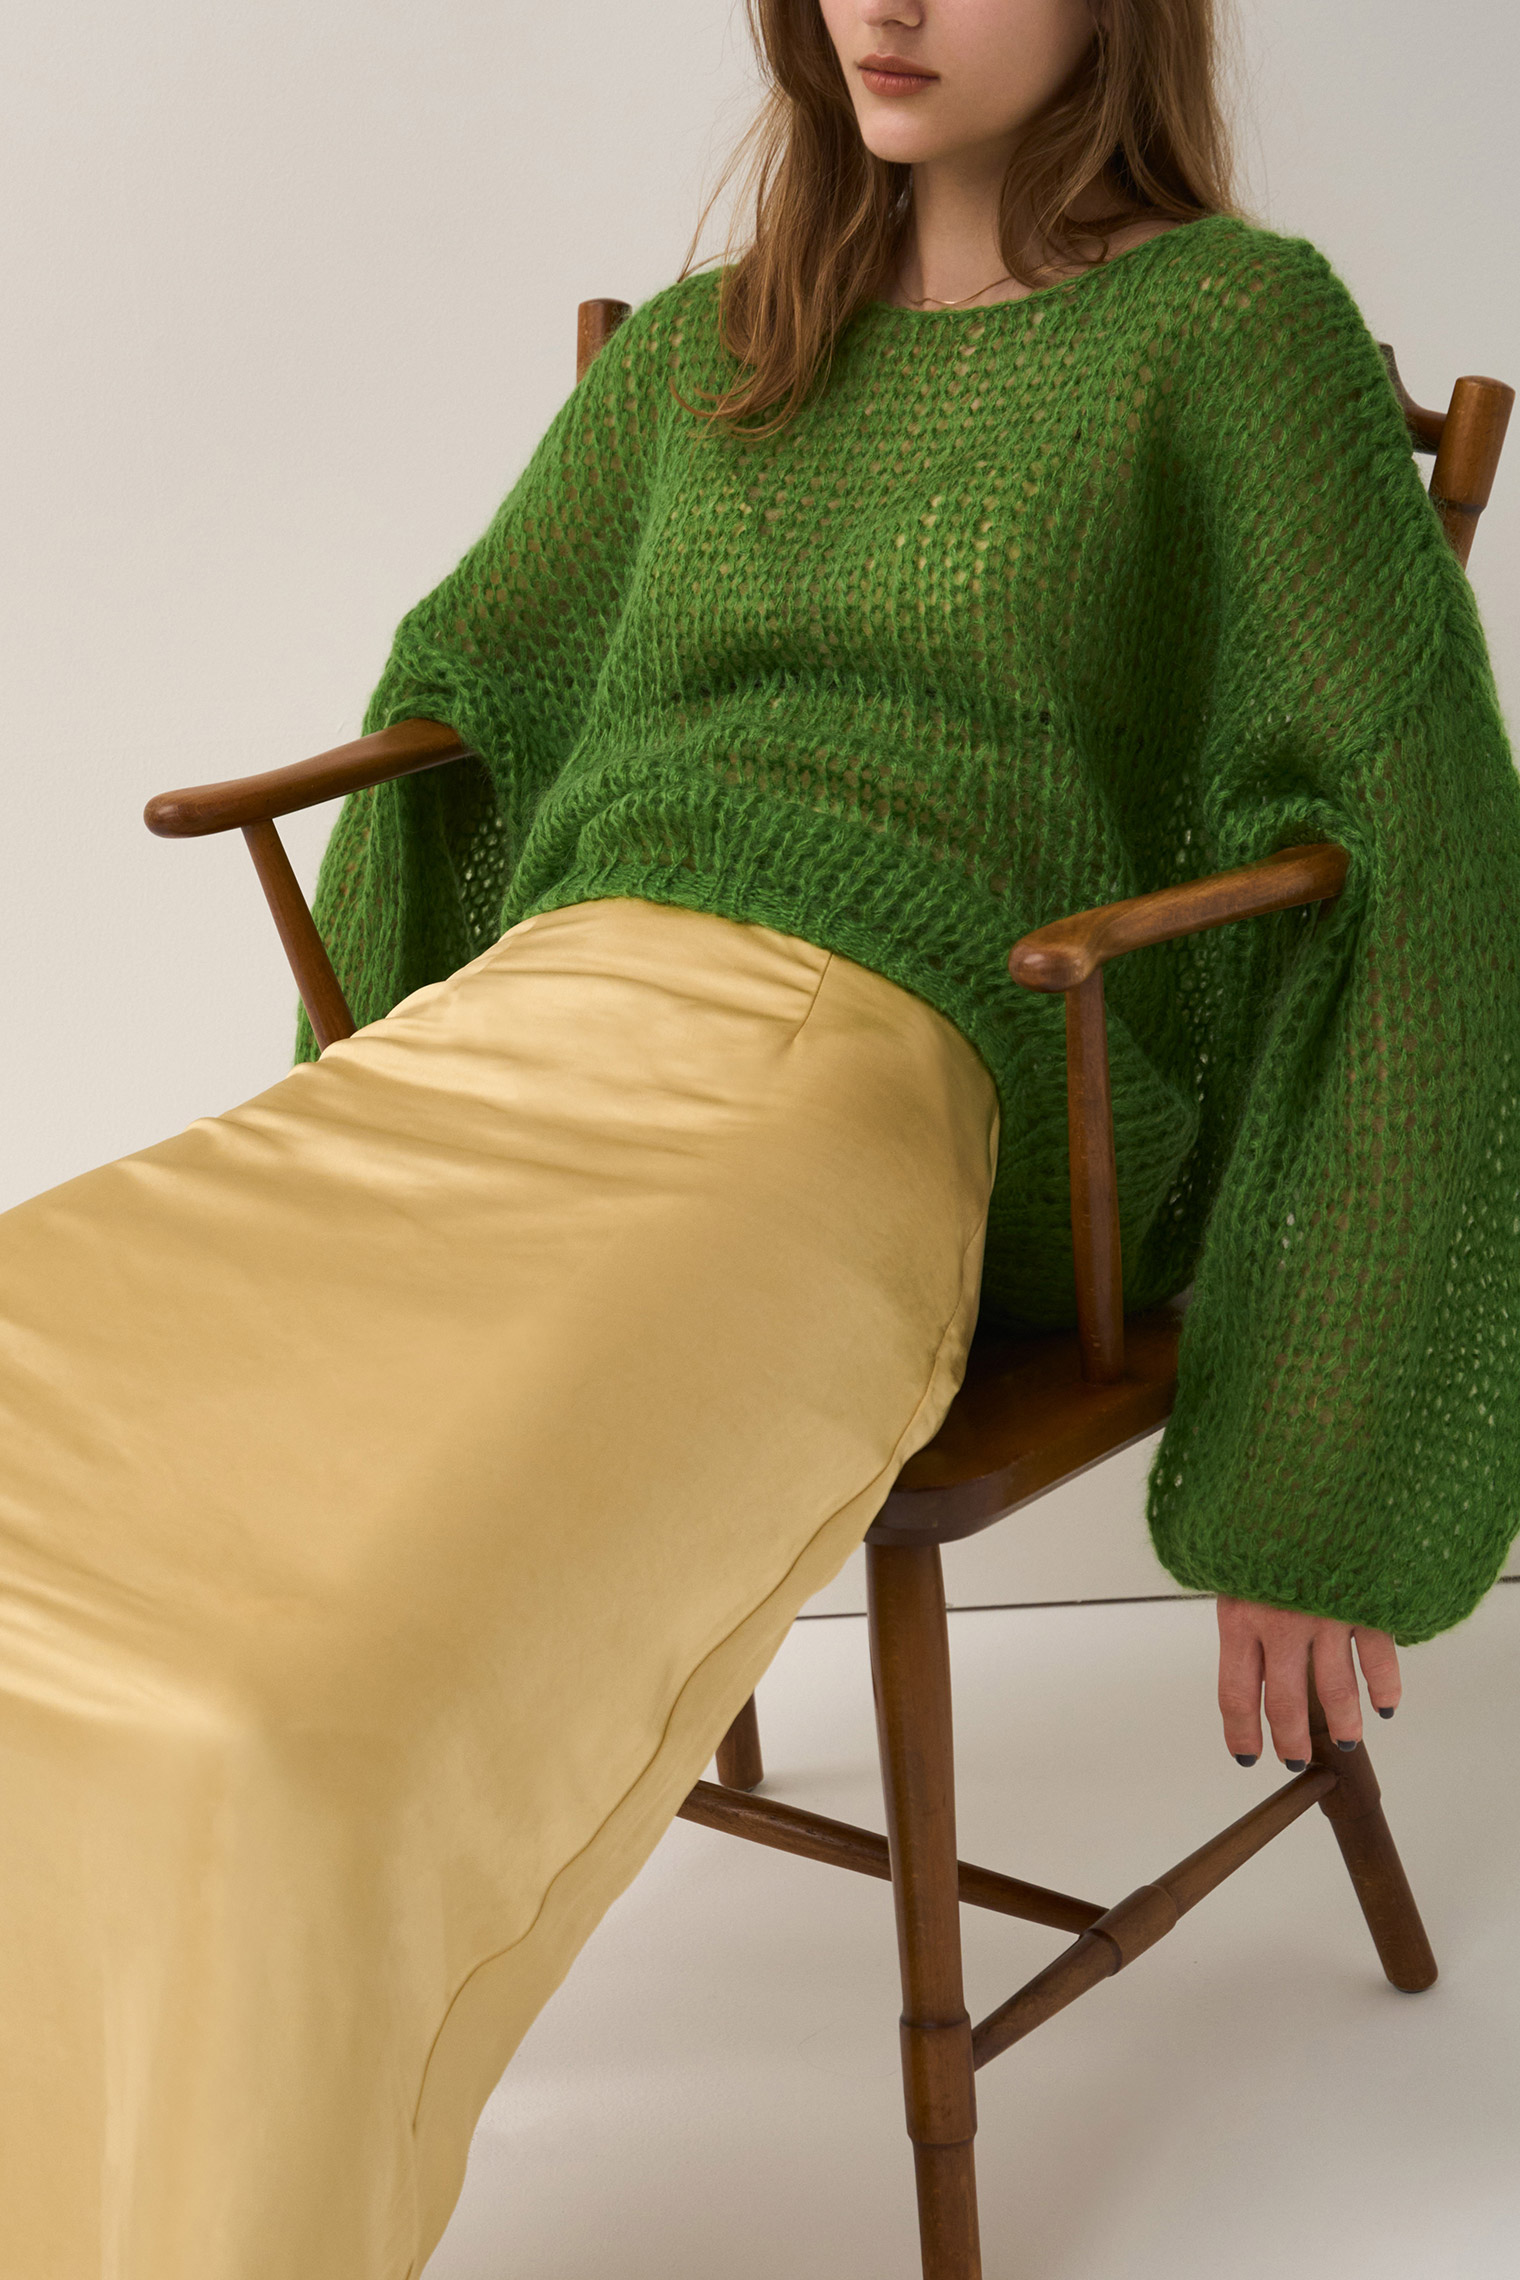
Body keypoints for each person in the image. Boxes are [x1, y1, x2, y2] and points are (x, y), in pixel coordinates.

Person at [3, 1, 1517, 2273]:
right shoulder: (711, 347)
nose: (880, 5)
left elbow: (1410, 828)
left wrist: (1321, 1450)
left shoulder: (1225, 331)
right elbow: (470, 684)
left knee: (273, 1724)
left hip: (865, 1082)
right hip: (530, 1026)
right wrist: (378, 1068)